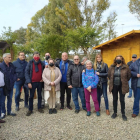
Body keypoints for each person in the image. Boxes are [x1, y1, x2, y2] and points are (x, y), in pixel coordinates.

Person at [108, 55, 131, 121]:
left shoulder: (126, 67)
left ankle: (123, 114)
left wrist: (123, 81)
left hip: (122, 86)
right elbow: (109, 76)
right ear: (115, 60)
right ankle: (115, 112)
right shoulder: (112, 67)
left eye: (119, 59)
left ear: (122, 60)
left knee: (122, 100)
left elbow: (129, 76)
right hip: (114, 86)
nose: (118, 60)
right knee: (115, 99)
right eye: (117, 59)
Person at [25, 52, 44, 116]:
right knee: (31, 96)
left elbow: (45, 72)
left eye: (37, 55)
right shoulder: (30, 63)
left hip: (40, 82)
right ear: (33, 57)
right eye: (35, 55)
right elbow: (26, 72)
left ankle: (39, 107)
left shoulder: (42, 63)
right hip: (32, 82)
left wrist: (43, 78)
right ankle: (30, 109)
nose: (36, 57)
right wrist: (28, 82)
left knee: (39, 95)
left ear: (39, 56)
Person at [0, 53, 17, 118]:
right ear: (4, 58)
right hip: (4, 86)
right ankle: (3, 112)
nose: (10, 58)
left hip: (11, 85)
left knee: (10, 99)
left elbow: (15, 73)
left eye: (10, 57)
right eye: (9, 57)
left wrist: (14, 79)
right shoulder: (1, 66)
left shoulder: (11, 65)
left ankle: (9, 111)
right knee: (2, 100)